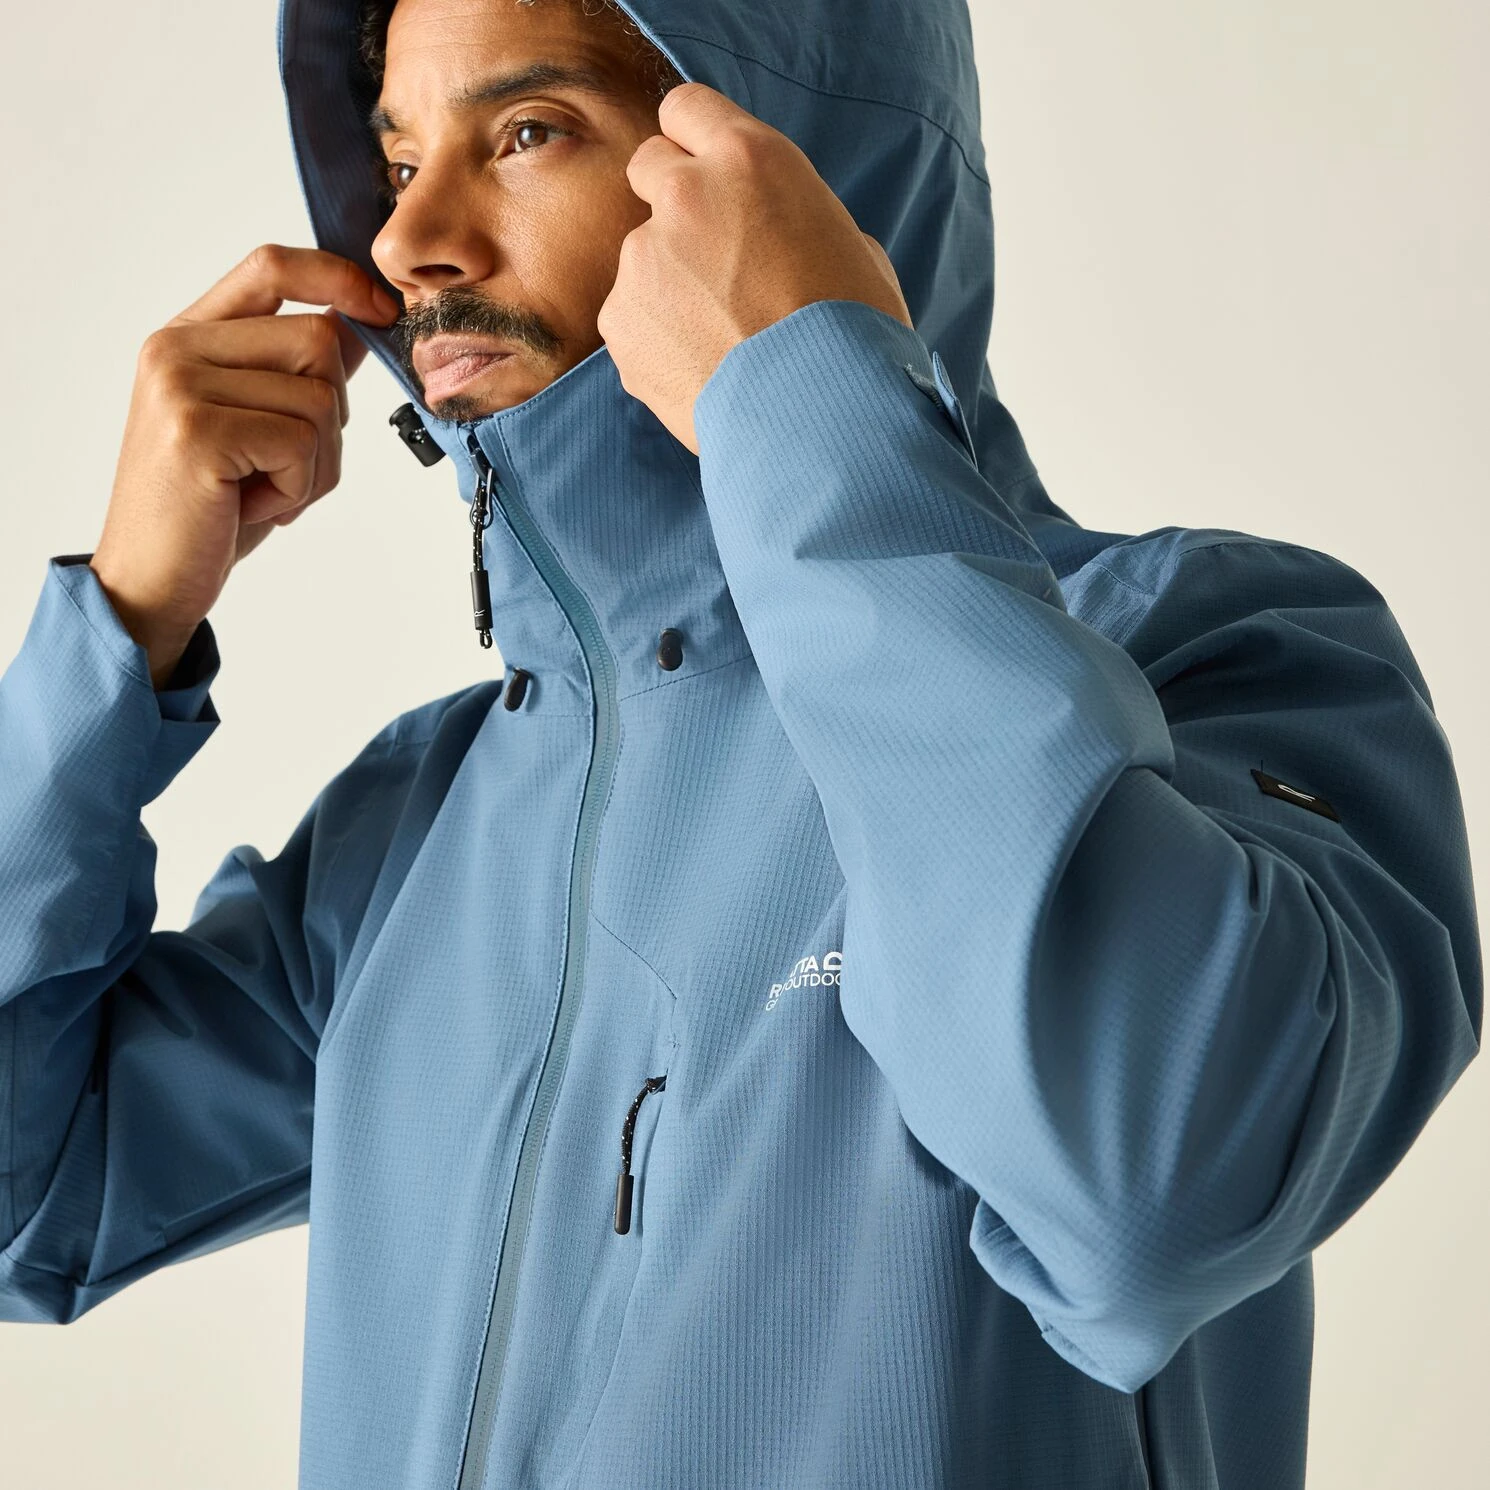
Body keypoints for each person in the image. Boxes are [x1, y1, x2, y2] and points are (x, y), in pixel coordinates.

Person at [0, 0, 1480, 1486]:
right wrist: (116, 630)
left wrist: (803, 395)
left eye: (526, 133)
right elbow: (25, 1201)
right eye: (397, 164)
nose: (407, 244)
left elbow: (1152, 1188)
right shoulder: (421, 830)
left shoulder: (1218, 660)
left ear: (795, 157)